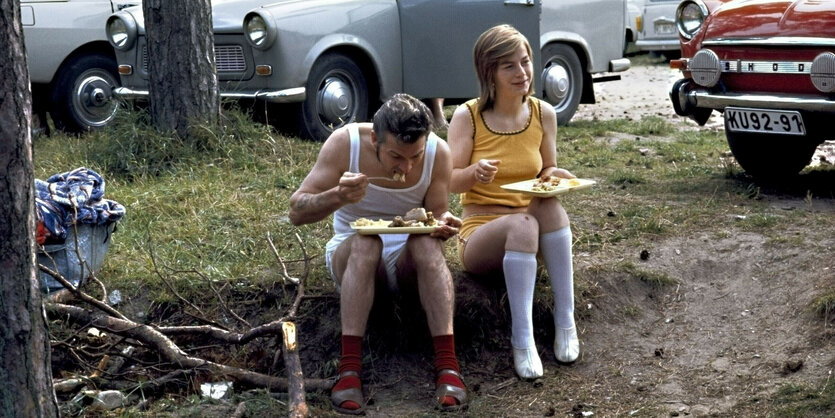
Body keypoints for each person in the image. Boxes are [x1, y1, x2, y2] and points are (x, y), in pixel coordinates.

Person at [288, 93, 467, 414]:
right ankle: (350, 369)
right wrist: (337, 195)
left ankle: (448, 366)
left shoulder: (438, 152)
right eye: (397, 156)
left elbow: (436, 214)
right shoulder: (346, 143)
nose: (407, 167)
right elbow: (297, 211)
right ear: (374, 139)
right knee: (367, 241)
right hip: (354, 253)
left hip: (409, 258)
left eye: (415, 156)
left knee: (427, 244)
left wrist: (442, 224)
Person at [447, 24, 580, 380]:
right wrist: (474, 172)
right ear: (488, 71)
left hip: (529, 230)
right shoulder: (468, 116)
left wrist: (556, 175)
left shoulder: (543, 114)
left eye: (525, 62)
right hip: (480, 233)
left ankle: (566, 320)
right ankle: (523, 341)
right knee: (525, 224)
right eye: (509, 66)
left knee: (548, 207)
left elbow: (546, 166)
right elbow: (447, 179)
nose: (522, 73)